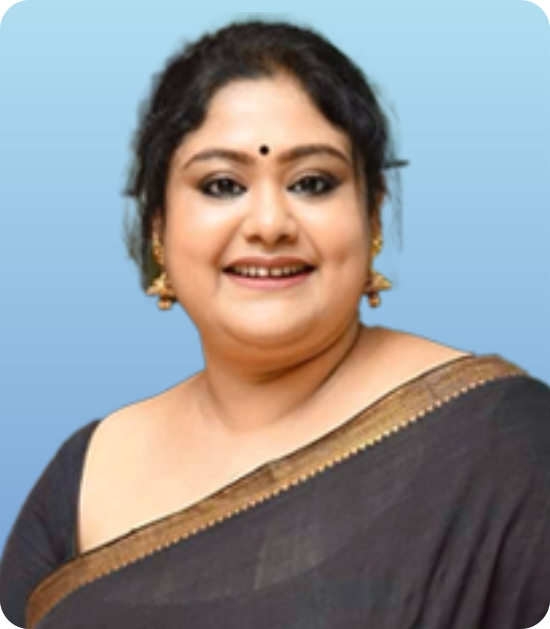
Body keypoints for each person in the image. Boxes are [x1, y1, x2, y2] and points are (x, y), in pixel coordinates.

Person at [1, 18, 549, 629]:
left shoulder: (502, 444)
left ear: (372, 217)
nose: (269, 225)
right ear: (159, 228)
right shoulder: (84, 473)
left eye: (312, 183)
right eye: (222, 185)